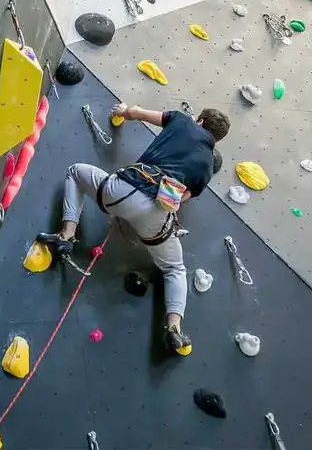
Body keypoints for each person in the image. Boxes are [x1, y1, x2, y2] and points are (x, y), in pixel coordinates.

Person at [37, 103, 231, 356]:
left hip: (121, 190)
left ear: (201, 122)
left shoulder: (183, 121)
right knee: (174, 268)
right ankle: (174, 329)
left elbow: (139, 113)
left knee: (75, 172)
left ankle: (67, 235)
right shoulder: (206, 166)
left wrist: (122, 110)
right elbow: (179, 201)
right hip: (153, 215)